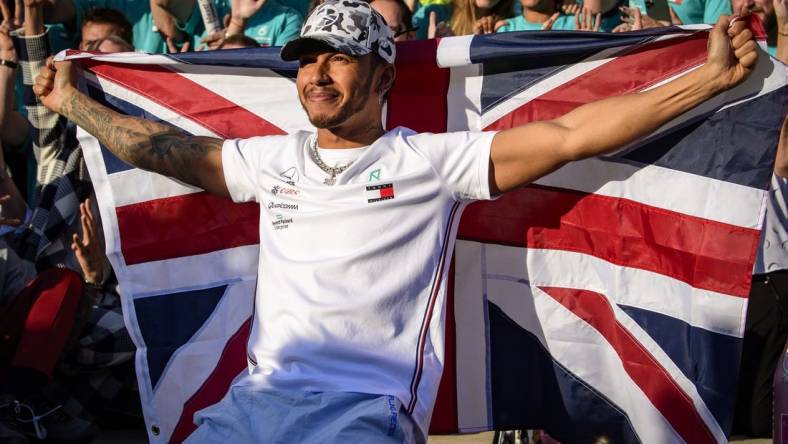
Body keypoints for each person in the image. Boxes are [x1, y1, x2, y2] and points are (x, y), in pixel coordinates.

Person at [33, 0, 758, 441]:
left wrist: (709, 79)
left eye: (337, 59)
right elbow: (168, 150)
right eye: (307, 60)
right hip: (249, 407)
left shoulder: (430, 163)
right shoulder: (270, 159)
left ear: (382, 76)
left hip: (364, 417)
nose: (315, 73)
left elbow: (571, 136)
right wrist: (74, 105)